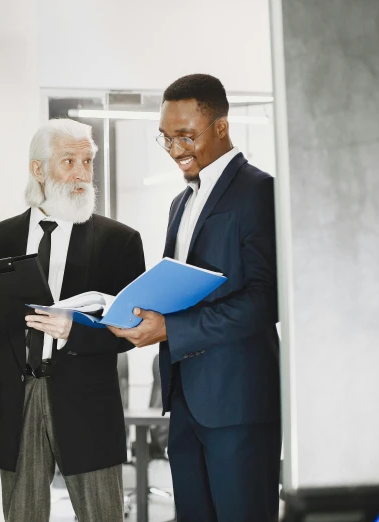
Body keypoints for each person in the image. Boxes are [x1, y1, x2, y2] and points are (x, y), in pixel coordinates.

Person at [108, 74, 281, 521]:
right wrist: (139, 314)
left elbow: (267, 299)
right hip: (184, 400)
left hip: (239, 404)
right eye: (166, 138)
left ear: (221, 126)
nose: (176, 149)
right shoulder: (181, 203)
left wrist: (172, 328)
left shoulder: (259, 191)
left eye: (187, 136)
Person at [0, 119, 146, 522]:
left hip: (88, 405)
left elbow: (133, 332)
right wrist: (1, 303)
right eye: (68, 161)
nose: (82, 173)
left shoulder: (120, 242)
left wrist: (75, 331)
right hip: (17, 401)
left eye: (87, 161)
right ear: (38, 169)